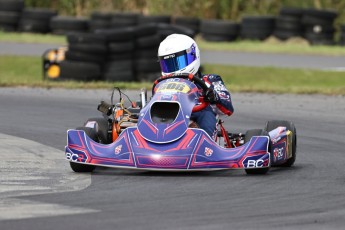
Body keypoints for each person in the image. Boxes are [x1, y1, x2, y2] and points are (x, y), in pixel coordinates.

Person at [157, 34, 234, 139]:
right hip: (169, 116)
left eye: (179, 62)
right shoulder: (162, 85)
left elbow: (228, 108)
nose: (175, 69)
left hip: (198, 116)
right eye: (169, 64)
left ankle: (205, 145)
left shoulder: (210, 80)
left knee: (206, 114)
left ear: (194, 55)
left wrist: (214, 97)